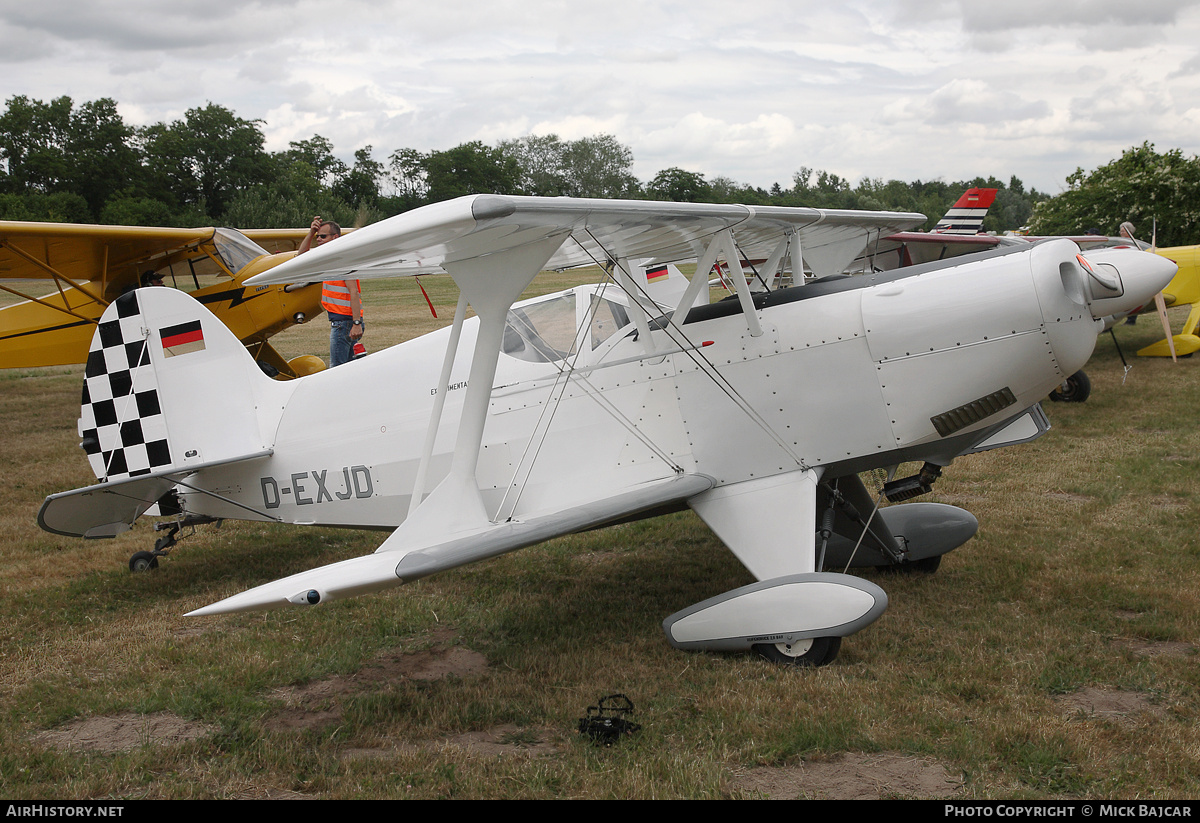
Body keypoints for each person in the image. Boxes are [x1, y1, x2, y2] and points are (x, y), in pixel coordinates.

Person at [298, 215, 364, 367]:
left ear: (335, 237)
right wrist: (310, 233)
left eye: (322, 236)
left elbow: (353, 291)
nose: (318, 239)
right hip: (343, 322)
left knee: (337, 368)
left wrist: (356, 323)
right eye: (317, 236)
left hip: (345, 323)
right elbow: (300, 258)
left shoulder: (341, 260)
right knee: (349, 367)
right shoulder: (329, 259)